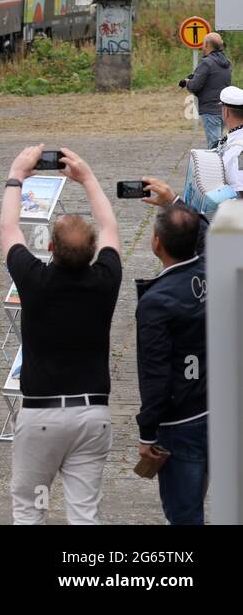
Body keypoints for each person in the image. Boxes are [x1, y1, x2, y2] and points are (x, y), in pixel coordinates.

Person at [1, 144, 121, 525]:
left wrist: (16, 175)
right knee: (85, 512)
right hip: (92, 413)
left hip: (42, 415)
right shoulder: (105, 279)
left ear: (49, 248)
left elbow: (8, 228)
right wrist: (86, 178)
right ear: (93, 252)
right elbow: (111, 228)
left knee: (30, 508)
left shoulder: (34, 279)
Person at [134, 203, 208, 525]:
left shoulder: (156, 302)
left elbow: (155, 373)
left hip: (182, 421)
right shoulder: (211, 268)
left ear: (156, 243)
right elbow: (209, 236)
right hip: (220, 406)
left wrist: (147, 433)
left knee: (184, 513)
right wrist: (174, 199)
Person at [180, 33, 232, 147]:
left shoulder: (206, 63)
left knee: (213, 146)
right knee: (220, 144)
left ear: (208, 45)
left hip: (210, 109)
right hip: (223, 109)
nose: (202, 47)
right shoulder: (227, 63)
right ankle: (223, 163)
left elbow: (195, 86)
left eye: (203, 44)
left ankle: (215, 165)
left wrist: (188, 82)